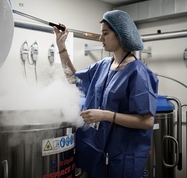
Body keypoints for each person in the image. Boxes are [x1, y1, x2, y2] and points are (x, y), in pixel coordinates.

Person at [53, 10, 158, 178]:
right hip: (99, 154)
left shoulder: (138, 73)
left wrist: (105, 115)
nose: (101, 38)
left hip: (123, 157)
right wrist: (61, 47)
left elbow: (146, 121)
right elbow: (73, 79)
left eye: (105, 33)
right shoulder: (103, 65)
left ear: (120, 34)